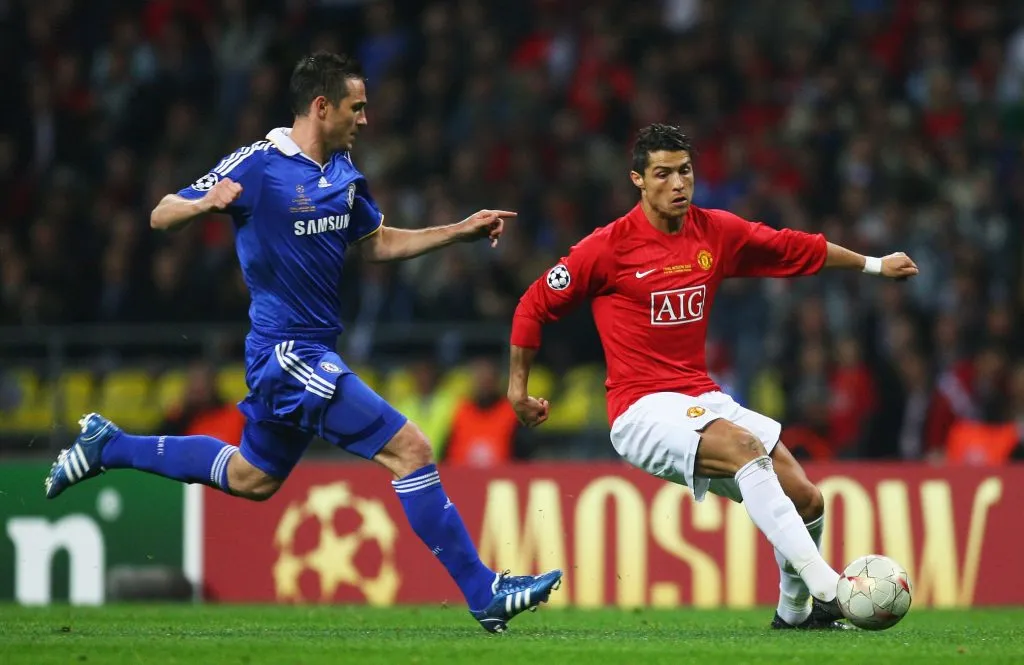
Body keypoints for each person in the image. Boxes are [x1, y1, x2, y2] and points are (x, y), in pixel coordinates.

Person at [44, 52, 561, 633]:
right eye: (357, 107)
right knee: (411, 449)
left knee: (251, 479)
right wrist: (202, 204)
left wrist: (458, 231)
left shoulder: (345, 172)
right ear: (322, 106)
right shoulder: (259, 165)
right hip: (286, 354)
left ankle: (108, 445)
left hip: (308, 353)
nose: (366, 119)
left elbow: (374, 242)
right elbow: (161, 215)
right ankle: (484, 591)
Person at [507, 123, 919, 629]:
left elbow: (793, 248)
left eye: (685, 172)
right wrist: (518, 388)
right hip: (640, 409)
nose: (678, 184)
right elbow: (533, 304)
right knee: (747, 448)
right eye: (663, 174)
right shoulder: (607, 248)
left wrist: (875, 266)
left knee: (807, 496)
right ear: (638, 179)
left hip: (700, 395)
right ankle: (830, 589)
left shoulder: (714, 232)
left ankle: (794, 615)